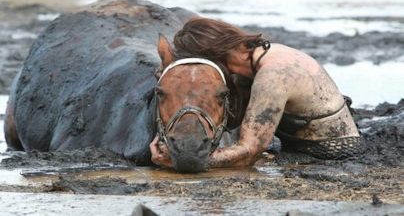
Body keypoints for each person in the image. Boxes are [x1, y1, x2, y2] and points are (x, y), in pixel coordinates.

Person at [151, 17, 362, 168]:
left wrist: (183, 158)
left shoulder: (273, 76)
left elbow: (249, 152)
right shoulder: (257, 59)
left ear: (214, 54)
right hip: (300, 145)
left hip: (328, 154)